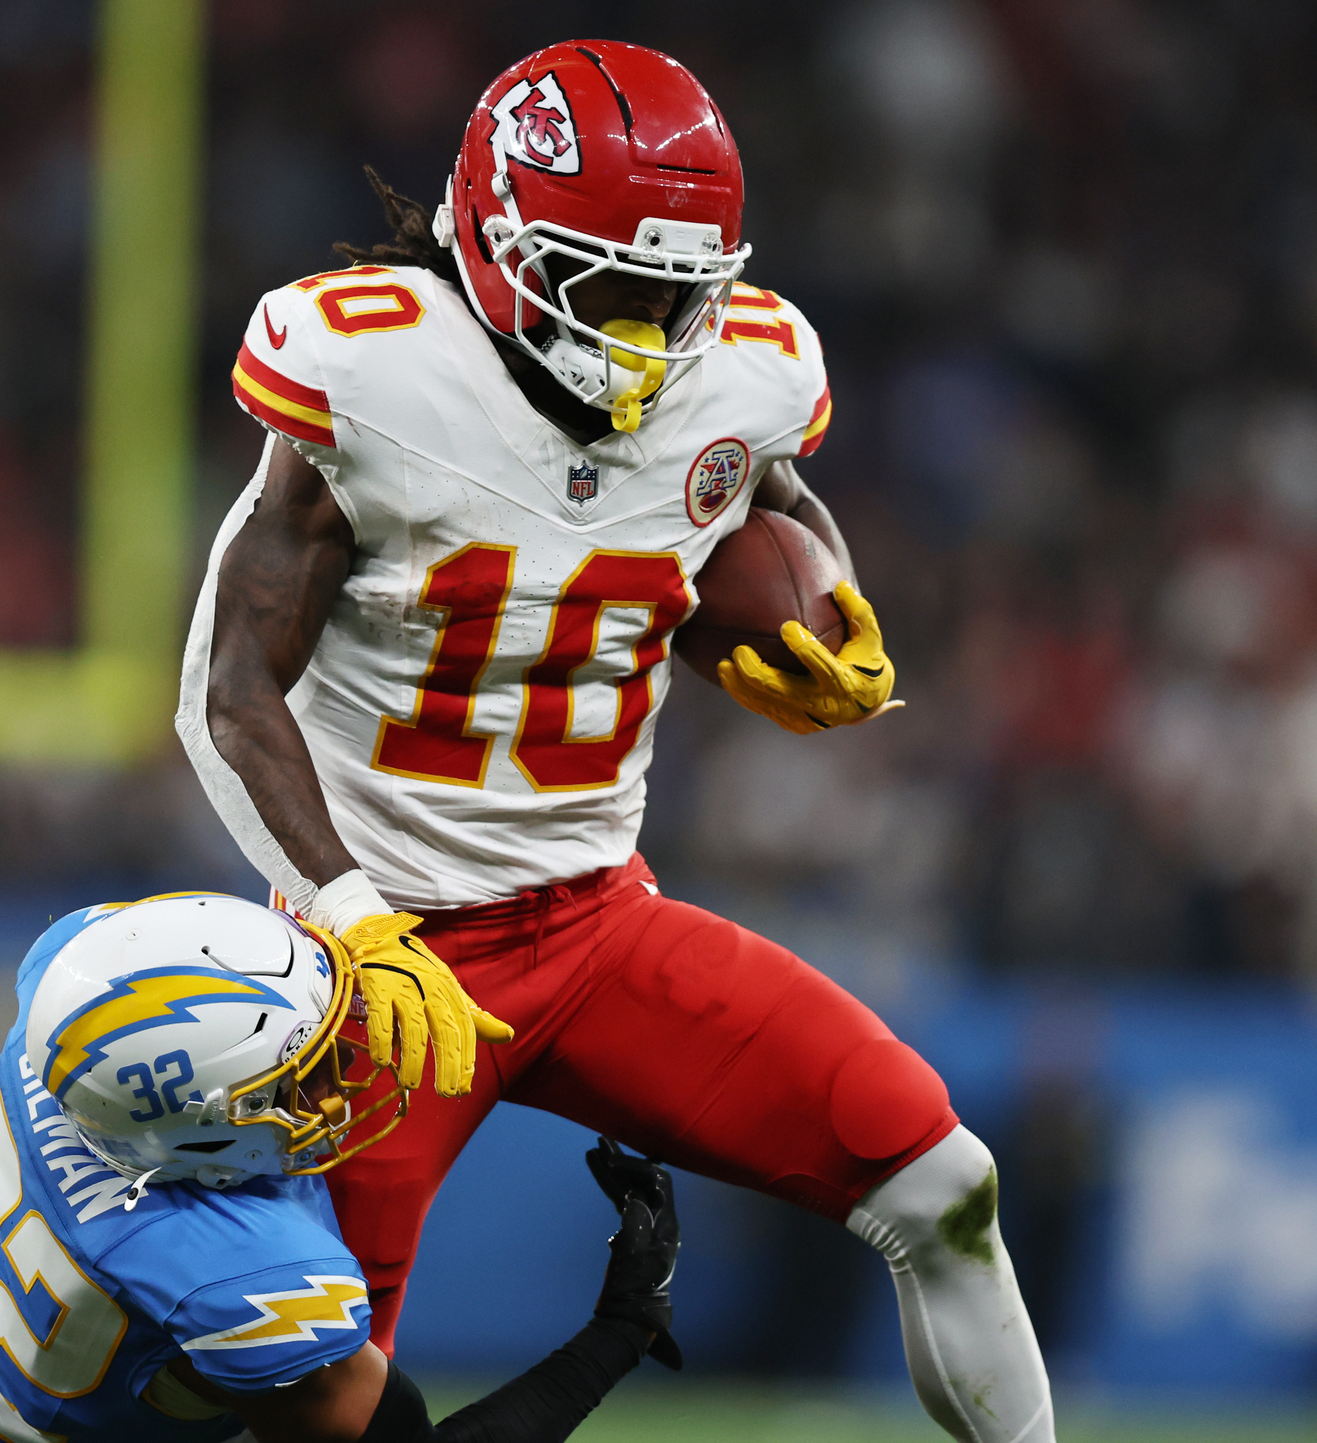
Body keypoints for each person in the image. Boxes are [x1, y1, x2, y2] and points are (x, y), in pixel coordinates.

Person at [178, 38, 1053, 1443]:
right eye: (613, 291)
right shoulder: (373, 372)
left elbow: (760, 496)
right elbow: (226, 695)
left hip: (597, 926)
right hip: (386, 960)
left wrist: (831, 606)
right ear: (504, 240)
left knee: (944, 1182)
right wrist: (349, 917)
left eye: (675, 299)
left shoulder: (744, 369)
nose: (648, 337)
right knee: (322, 1401)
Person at [0, 893, 680, 1443]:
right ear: (199, 1134)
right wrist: (617, 1331)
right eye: (298, 1075)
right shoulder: (232, 1270)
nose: (339, 1076)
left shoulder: (71, 1015)